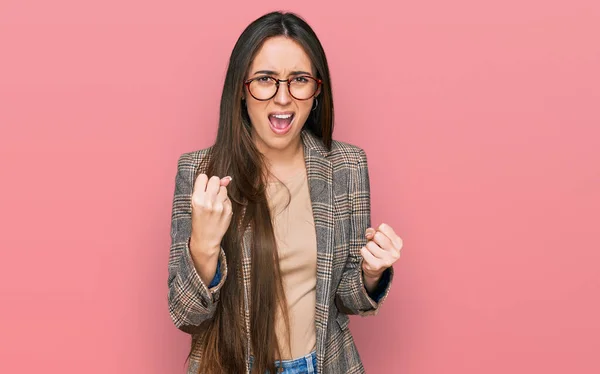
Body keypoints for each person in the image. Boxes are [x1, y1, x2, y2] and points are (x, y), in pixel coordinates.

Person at [168, 11, 403, 374]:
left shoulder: (347, 166)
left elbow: (347, 299)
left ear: (317, 91)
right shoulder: (201, 173)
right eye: (265, 79)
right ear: (241, 90)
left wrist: (372, 272)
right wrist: (204, 245)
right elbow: (186, 314)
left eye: (299, 80)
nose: (283, 98)